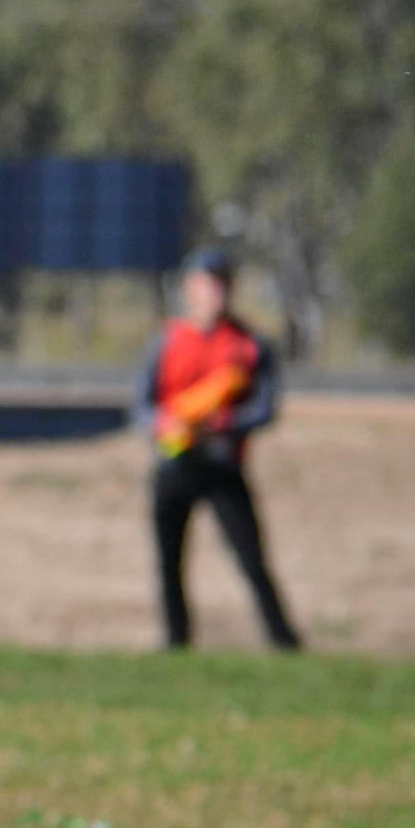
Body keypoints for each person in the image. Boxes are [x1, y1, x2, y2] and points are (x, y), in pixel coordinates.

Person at [135, 249, 300, 650]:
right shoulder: (167, 339)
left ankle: (284, 643)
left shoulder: (248, 344)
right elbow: (141, 405)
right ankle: (176, 642)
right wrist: (165, 425)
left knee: (252, 559)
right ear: (191, 288)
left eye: (222, 284)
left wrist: (222, 424)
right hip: (175, 462)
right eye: (208, 284)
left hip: (223, 463)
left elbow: (265, 407)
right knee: (168, 561)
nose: (216, 293)